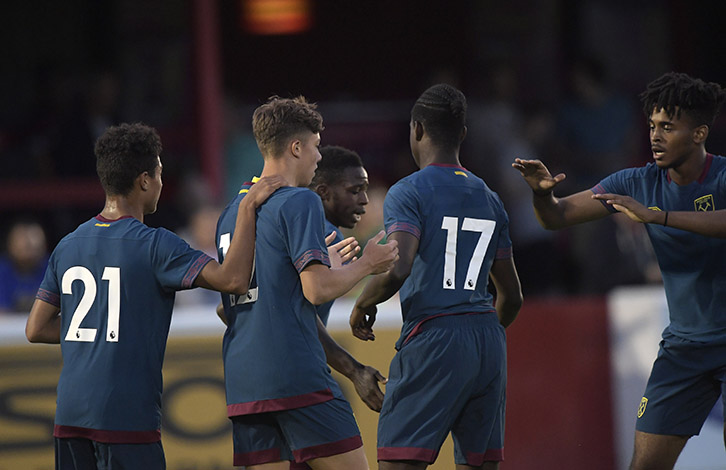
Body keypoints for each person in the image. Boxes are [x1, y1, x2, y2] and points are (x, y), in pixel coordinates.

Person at [25, 122, 284, 470]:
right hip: (125, 416)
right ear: (144, 180)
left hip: (69, 414)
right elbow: (234, 279)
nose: (162, 183)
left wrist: (101, 330)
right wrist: (248, 208)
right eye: (160, 173)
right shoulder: (155, 244)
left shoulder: (68, 244)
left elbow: (35, 329)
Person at [512, 71, 726, 470]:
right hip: (683, 349)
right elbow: (557, 218)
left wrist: (659, 217)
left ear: (698, 134)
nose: (655, 136)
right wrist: (543, 196)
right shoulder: (635, 182)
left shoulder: (723, 176)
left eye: (668, 127)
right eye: (651, 126)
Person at [216, 96, 398, 470]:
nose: (318, 157)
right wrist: (367, 263)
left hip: (243, 381)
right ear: (296, 147)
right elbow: (316, 290)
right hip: (297, 374)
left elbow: (226, 306)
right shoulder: (299, 201)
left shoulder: (232, 211)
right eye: (315, 146)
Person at [350, 83, 523, 470]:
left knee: (399, 463)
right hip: (488, 341)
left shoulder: (407, 191)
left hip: (434, 338)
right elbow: (511, 297)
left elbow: (399, 265)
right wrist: (480, 333)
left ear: (416, 129)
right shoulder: (490, 197)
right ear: (462, 134)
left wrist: (364, 301)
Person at [309, 145, 370, 325]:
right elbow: (305, 315)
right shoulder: (330, 236)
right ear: (324, 192)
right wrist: (370, 263)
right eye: (355, 191)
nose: (364, 199)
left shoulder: (292, 227)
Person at [0, 219, 48, 313]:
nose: (30, 245)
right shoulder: (2, 270)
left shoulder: (54, 269)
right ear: (10, 244)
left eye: (34, 242)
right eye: (26, 244)